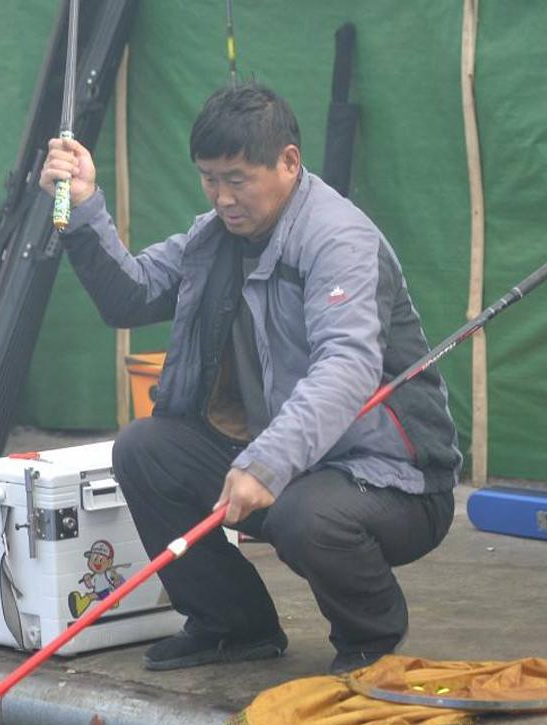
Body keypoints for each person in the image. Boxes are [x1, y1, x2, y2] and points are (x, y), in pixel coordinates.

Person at [42, 83, 460, 675]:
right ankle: (232, 626)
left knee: (305, 517)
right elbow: (128, 298)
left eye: (237, 179)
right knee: (145, 449)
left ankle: (371, 644)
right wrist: (83, 207)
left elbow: (347, 366)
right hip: (284, 462)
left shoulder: (339, 240)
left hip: (392, 480)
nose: (223, 197)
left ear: (288, 161)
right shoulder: (213, 237)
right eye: (209, 179)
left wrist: (265, 464)